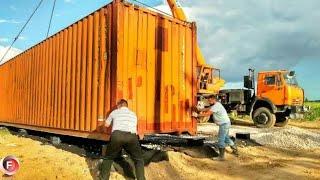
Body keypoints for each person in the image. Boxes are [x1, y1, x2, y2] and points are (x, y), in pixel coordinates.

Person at [99, 99, 146, 180]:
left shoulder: (114, 112)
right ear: (126, 106)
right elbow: (136, 129)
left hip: (117, 136)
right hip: (131, 137)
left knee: (108, 158)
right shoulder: (133, 114)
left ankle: (103, 178)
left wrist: (102, 123)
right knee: (139, 160)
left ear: (119, 105)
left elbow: (106, 125)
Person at [193, 95, 238, 161]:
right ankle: (235, 149)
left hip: (224, 124)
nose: (208, 101)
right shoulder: (216, 104)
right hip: (226, 123)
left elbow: (207, 114)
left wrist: (197, 115)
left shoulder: (216, 106)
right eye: (208, 100)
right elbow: (208, 108)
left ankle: (221, 157)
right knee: (226, 138)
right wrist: (200, 109)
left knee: (221, 140)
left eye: (209, 100)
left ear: (213, 99)